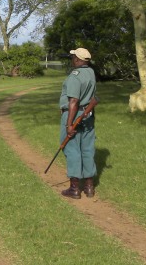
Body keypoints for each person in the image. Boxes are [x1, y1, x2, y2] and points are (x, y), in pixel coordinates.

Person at [59, 47, 98, 199]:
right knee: (87, 148)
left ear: (77, 59)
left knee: (72, 148)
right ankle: (89, 187)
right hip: (87, 114)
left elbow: (73, 101)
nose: (71, 59)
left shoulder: (75, 76)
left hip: (74, 115)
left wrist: (69, 125)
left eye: (72, 57)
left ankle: (74, 188)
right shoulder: (91, 72)